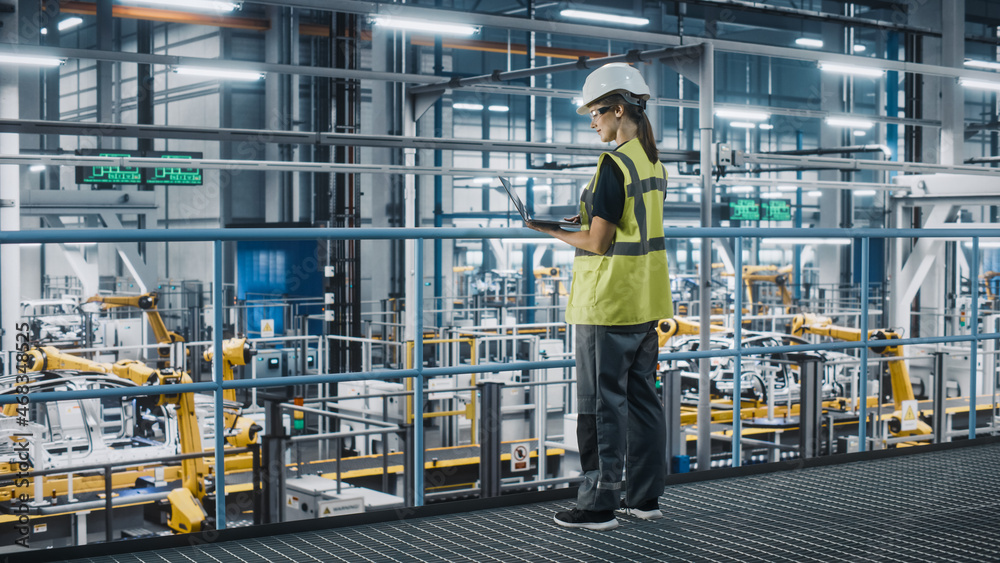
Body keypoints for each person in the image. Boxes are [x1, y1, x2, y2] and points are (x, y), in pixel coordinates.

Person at [528, 62, 673, 531]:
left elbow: (598, 242)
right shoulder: (652, 162)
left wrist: (551, 230)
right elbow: (630, 224)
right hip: (645, 301)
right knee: (643, 401)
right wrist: (584, 219)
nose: (592, 122)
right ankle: (645, 498)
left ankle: (597, 504)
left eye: (595, 113)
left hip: (607, 303)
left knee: (599, 406)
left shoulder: (613, 164)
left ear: (616, 110)